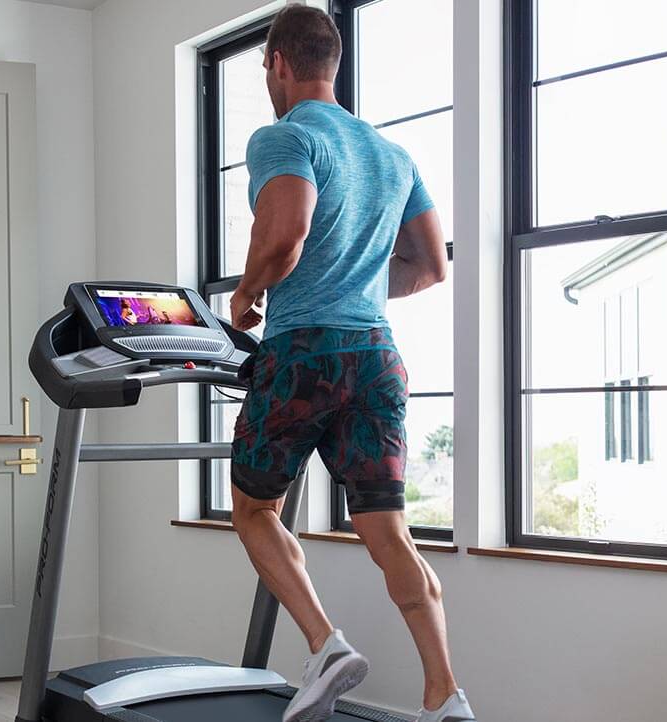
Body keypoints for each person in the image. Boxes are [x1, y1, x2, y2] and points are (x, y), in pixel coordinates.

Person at [226, 6, 474, 722]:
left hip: (304, 352)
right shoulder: (392, 156)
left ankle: (326, 644)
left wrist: (246, 296)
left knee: (254, 509)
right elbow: (430, 267)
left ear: (277, 63)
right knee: (389, 532)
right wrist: (358, 280)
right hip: (376, 357)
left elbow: (286, 233)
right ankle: (444, 694)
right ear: (330, 62)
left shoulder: (285, 136)